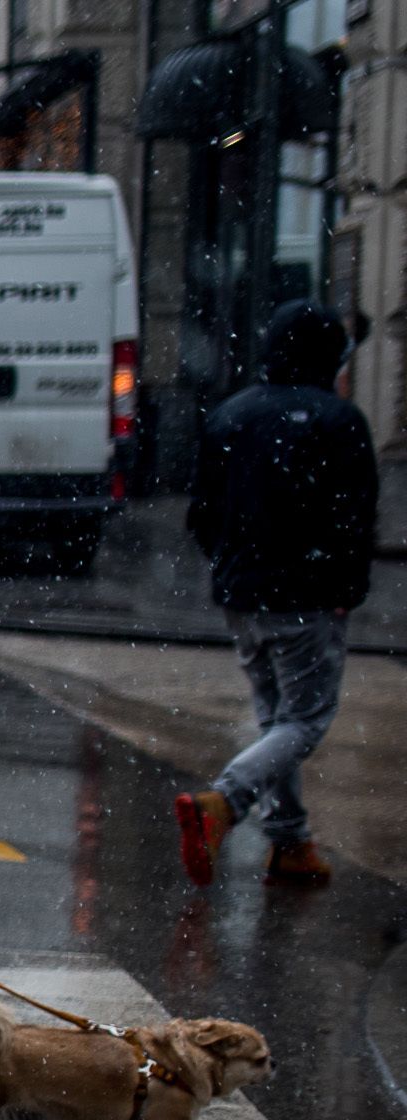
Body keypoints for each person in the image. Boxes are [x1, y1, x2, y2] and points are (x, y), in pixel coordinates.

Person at [174, 301, 378, 890]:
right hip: (307, 595)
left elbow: (203, 514)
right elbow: (353, 518)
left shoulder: (232, 415)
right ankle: (225, 801)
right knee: (306, 720)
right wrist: (346, 589)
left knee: (275, 718)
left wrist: (231, 566)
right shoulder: (338, 420)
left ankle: (290, 841)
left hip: (242, 595)